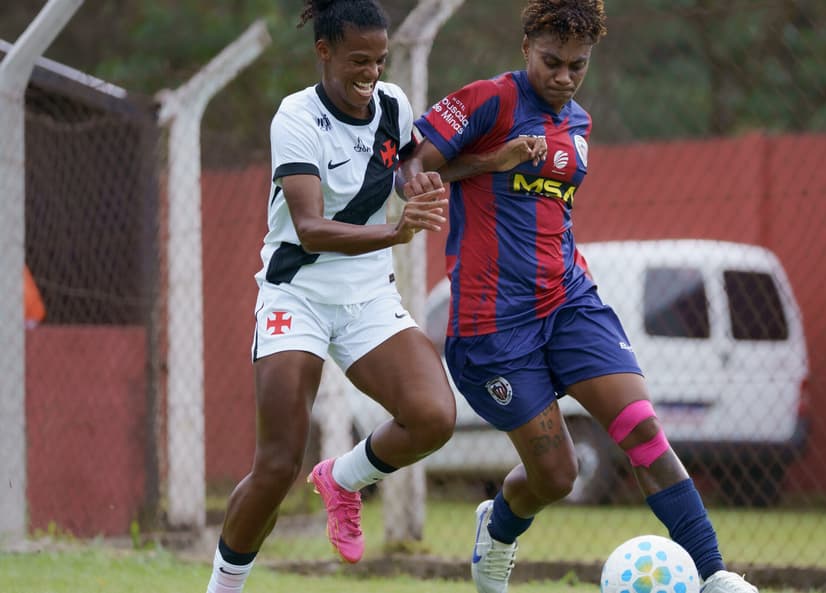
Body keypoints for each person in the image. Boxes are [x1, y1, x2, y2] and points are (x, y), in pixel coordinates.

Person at [398, 1, 759, 592]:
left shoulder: (579, 123)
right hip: (494, 327)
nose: (563, 76)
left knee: (643, 430)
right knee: (558, 474)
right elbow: (411, 167)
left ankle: (713, 574)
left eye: (577, 66)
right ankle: (499, 528)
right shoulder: (489, 100)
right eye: (551, 61)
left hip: (570, 304)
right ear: (525, 49)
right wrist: (499, 159)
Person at [204, 1, 457, 591]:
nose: (371, 74)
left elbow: (404, 155)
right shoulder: (294, 117)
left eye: (380, 60)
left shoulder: (393, 104)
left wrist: (414, 177)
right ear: (324, 53)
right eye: (358, 61)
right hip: (298, 294)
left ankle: (343, 479)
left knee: (433, 417)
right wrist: (396, 231)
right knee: (275, 466)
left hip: (366, 294)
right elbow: (311, 227)